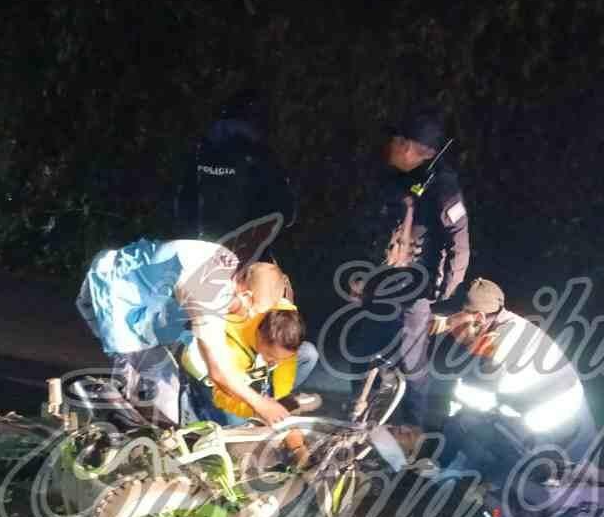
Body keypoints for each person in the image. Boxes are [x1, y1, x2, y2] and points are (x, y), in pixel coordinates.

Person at [76, 237, 291, 426]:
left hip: (136, 287)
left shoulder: (229, 263)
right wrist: (261, 404)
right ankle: (106, 409)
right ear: (246, 294)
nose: (251, 317)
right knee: (163, 399)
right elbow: (217, 372)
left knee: (166, 376)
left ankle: (124, 407)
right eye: (253, 311)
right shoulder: (207, 291)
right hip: (113, 296)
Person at [352, 104, 470, 427]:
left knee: (411, 362)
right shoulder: (393, 178)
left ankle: (413, 434)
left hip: (412, 291)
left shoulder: (441, 186)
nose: (389, 147)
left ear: (408, 147)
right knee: (364, 353)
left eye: (396, 141)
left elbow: (458, 240)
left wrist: (442, 288)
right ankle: (360, 424)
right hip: (382, 283)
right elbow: (375, 231)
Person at [432, 277, 596, 463]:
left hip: (555, 430)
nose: (447, 326)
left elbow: (470, 401)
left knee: (465, 426)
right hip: (575, 410)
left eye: (451, 319)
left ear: (478, 318)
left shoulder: (495, 349)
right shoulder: (507, 323)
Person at [173, 89, 297, 261]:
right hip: (244, 260)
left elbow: (182, 205)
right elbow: (286, 212)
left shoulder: (201, 150)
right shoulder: (260, 155)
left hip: (197, 256)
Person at [181, 299, 319, 425]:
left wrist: (280, 399)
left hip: (248, 365)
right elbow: (222, 385)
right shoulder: (230, 349)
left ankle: (273, 400)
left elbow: (286, 362)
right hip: (215, 383)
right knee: (241, 427)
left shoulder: (280, 311)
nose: (276, 363)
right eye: (271, 355)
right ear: (259, 336)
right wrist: (258, 408)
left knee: (308, 353)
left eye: (281, 358)